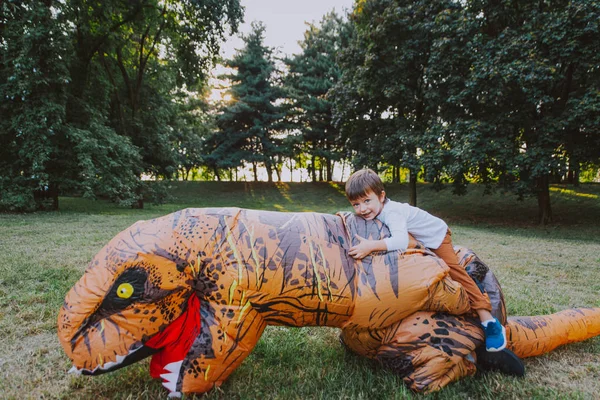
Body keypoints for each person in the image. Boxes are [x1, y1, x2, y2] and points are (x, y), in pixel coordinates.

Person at [345, 168, 506, 352]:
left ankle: (488, 320)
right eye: (356, 204)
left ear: (381, 196)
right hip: (418, 239)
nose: (362, 209)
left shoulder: (392, 213)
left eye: (367, 201)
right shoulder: (375, 212)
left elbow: (400, 240)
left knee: (454, 272)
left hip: (436, 236)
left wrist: (371, 246)